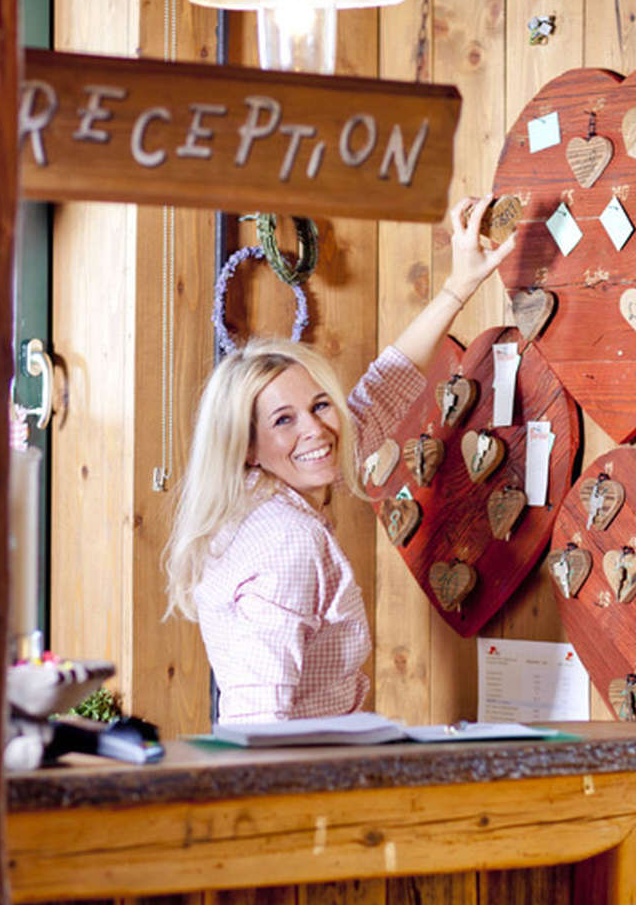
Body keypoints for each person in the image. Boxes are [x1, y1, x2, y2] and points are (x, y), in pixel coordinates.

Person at [163, 196, 516, 724]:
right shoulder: (288, 539)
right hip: (298, 786)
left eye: (320, 404)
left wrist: (459, 284)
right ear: (246, 446)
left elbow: (380, 393)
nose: (318, 430)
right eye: (284, 420)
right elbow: (261, 721)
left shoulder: (255, 502)